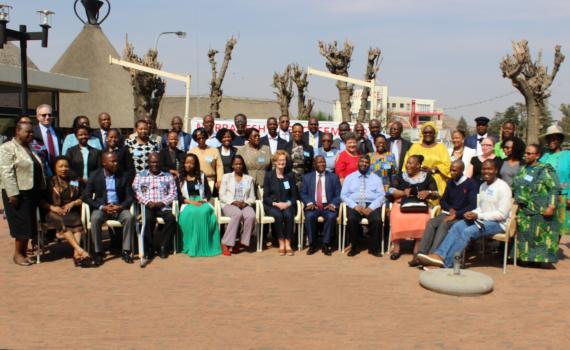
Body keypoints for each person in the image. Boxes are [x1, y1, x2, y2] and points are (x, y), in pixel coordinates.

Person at [417, 159, 512, 268]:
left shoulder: (503, 188)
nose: (486, 171)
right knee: (457, 226)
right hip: (482, 220)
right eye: (484, 169)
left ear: (495, 170)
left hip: (498, 224)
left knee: (468, 232)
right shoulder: (483, 186)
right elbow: (480, 208)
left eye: (489, 169)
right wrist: (472, 213)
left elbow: (502, 214)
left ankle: (448, 263)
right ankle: (439, 255)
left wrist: (478, 215)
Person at [410, 160, 478, 267]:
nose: (452, 172)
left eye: (454, 170)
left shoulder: (471, 184)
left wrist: (456, 213)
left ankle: (432, 256)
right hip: (448, 212)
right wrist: (450, 209)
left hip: (461, 216)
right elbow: (443, 200)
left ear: (462, 170)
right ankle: (421, 254)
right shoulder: (450, 182)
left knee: (444, 224)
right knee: (431, 222)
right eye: (451, 170)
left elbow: (472, 205)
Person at [0, 122, 47, 266]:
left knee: (28, 224)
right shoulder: (7, 148)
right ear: (18, 131)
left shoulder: (29, 147)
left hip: (31, 192)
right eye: (28, 132)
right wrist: (12, 193)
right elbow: (6, 172)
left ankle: (23, 252)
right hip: (17, 193)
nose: (31, 135)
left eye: (32, 132)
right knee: (21, 224)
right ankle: (18, 254)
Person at [83, 151, 136, 266]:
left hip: (119, 208)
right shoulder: (94, 175)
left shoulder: (123, 176)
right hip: (102, 208)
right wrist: (102, 207)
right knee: (95, 218)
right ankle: (98, 252)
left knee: (129, 217)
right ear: (104, 163)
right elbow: (86, 196)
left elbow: (130, 197)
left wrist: (120, 206)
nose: (116, 163)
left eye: (116, 161)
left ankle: (126, 250)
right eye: (113, 161)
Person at [512, 144, 561, 265]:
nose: (526, 155)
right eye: (525, 153)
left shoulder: (544, 169)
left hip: (540, 208)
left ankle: (538, 260)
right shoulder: (523, 169)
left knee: (539, 236)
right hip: (524, 210)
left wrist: (552, 206)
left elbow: (554, 188)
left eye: (529, 153)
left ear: (537, 155)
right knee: (525, 236)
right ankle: (526, 259)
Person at [41, 157, 90, 267]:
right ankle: (80, 250)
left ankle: (76, 255)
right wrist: (52, 207)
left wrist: (73, 203)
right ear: (55, 168)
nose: (64, 169)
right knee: (61, 221)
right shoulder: (49, 182)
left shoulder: (75, 181)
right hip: (52, 212)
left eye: (66, 166)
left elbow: (85, 196)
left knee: (77, 220)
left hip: (70, 211)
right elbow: (40, 200)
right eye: (60, 166)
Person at [388, 155, 439, 260]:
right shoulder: (400, 176)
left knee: (424, 218)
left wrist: (428, 192)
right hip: (401, 203)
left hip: (420, 205)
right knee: (396, 215)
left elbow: (437, 194)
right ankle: (397, 248)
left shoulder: (427, 177)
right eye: (407, 163)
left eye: (411, 163)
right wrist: (402, 192)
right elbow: (390, 190)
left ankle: (417, 249)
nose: (407, 165)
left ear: (418, 165)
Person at [132, 153, 177, 264]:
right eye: (152, 162)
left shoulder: (168, 175)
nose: (155, 164)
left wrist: (163, 202)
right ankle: (149, 248)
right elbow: (135, 191)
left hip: (163, 206)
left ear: (160, 162)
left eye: (157, 162)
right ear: (148, 163)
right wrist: (147, 202)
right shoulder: (140, 175)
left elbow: (173, 192)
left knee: (171, 219)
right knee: (147, 219)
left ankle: (163, 247)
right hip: (148, 206)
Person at [178, 153, 222, 257]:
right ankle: (192, 245)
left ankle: (205, 245)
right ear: (184, 164)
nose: (189, 165)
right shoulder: (180, 178)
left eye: (192, 163)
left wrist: (204, 200)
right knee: (192, 212)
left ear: (195, 164)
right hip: (187, 202)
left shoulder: (201, 175)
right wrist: (190, 201)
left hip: (202, 201)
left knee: (204, 212)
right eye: (187, 163)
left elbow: (208, 192)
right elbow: (178, 196)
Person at [340, 155, 385, 257]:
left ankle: (373, 248)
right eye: (362, 162)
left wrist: (371, 208)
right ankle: (354, 247)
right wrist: (355, 206)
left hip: (371, 204)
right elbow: (343, 195)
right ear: (358, 163)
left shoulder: (376, 178)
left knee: (377, 220)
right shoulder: (349, 177)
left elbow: (382, 196)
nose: (364, 164)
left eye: (366, 162)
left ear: (369, 164)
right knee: (351, 219)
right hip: (355, 204)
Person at [300, 155, 341, 256]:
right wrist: (309, 203)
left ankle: (326, 244)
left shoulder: (333, 177)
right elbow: (302, 193)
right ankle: (312, 244)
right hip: (313, 205)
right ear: (314, 164)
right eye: (319, 162)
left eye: (323, 162)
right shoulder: (307, 177)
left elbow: (339, 194)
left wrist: (333, 204)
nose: (322, 164)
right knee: (309, 216)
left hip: (328, 205)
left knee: (331, 217)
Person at [219, 155, 256, 256]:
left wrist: (246, 203)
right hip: (229, 204)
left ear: (243, 165)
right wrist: (233, 202)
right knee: (237, 214)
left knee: (251, 215)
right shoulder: (226, 177)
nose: (238, 166)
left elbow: (252, 197)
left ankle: (241, 242)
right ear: (232, 165)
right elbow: (221, 195)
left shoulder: (249, 179)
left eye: (240, 164)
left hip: (244, 204)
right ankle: (225, 243)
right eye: (236, 164)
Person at [263, 150, 298, 255]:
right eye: (279, 160)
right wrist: (276, 204)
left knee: (288, 215)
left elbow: (294, 195)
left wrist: (287, 204)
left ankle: (288, 243)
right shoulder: (269, 176)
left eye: (283, 160)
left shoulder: (290, 175)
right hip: (273, 205)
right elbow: (266, 197)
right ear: (274, 162)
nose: (282, 162)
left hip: (287, 204)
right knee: (278, 215)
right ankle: (281, 242)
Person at [403, 122, 451, 194]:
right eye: (425, 132)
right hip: (417, 183)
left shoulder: (441, 148)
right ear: (422, 133)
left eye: (430, 132)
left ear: (434, 133)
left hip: (437, 183)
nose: (427, 134)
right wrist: (418, 170)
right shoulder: (415, 147)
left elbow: (448, 166)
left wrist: (434, 169)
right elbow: (406, 165)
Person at [539, 125, 570, 236]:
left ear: (560, 140)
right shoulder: (545, 156)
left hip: (562, 196)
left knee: (559, 228)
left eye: (555, 138)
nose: (551, 141)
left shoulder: (568, 155)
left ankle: (553, 251)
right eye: (549, 138)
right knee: (545, 227)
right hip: (545, 196)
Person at [285, 123, 314, 189]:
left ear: (302, 133)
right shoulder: (286, 147)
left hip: (305, 181)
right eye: (295, 131)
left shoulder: (309, 148)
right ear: (292, 133)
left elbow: (311, 166)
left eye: (299, 132)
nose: (297, 133)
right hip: (290, 180)